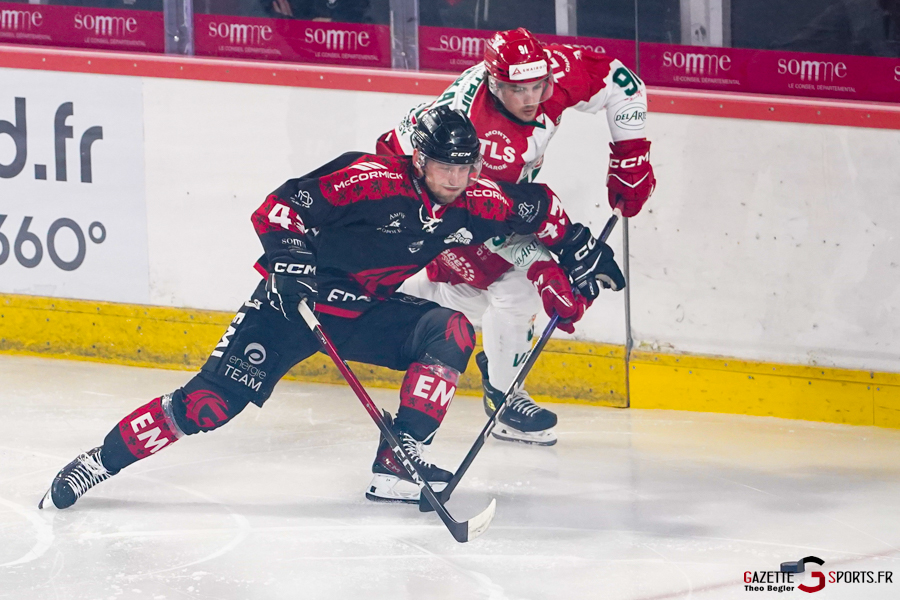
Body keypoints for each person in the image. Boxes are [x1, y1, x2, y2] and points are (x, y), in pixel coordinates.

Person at [39, 106, 624, 510]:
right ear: (420, 160)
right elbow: (279, 208)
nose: (456, 177)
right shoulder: (369, 178)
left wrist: (577, 253)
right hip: (290, 309)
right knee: (208, 405)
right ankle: (98, 461)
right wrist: (291, 259)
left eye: (465, 166)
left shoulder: (473, 199)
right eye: (445, 165)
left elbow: (538, 207)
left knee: (449, 331)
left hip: (361, 314)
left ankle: (397, 466)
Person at [377, 27, 654, 445]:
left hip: (484, 197)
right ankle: (503, 397)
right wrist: (542, 264)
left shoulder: (553, 73)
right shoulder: (472, 128)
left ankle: (397, 311)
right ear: (492, 83)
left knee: (472, 293)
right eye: (516, 89)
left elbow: (623, 83)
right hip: (429, 198)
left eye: (538, 86)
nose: (531, 99)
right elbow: (477, 211)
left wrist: (631, 156)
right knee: (516, 282)